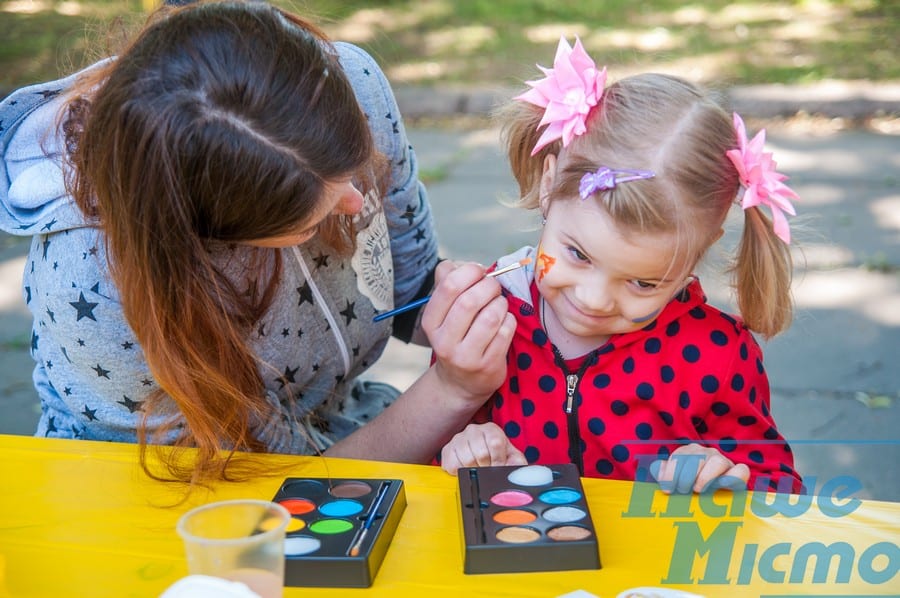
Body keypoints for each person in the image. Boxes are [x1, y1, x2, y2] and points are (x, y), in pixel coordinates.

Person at [0, 0, 515, 486]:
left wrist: (495, 308)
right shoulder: (95, 292)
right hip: (163, 496)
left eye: (352, 165)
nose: (358, 204)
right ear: (209, 230)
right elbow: (276, 497)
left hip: (345, 429)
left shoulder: (351, 81)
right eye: (309, 223)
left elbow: (407, 291)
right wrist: (451, 389)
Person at [439, 37, 804, 494]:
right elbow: (426, 471)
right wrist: (465, 452)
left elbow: (781, 492)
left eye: (643, 282)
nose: (593, 299)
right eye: (578, 254)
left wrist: (725, 478)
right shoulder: (490, 318)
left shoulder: (718, 355)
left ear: (702, 249)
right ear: (549, 185)